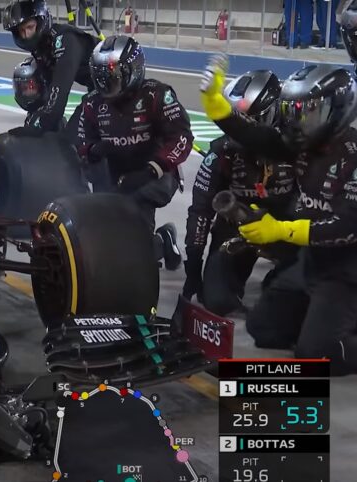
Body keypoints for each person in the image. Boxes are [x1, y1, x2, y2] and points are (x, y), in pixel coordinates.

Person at [201, 55, 357, 375]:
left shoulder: (352, 156)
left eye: (308, 112)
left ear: (338, 109)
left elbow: (348, 226)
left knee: (316, 357)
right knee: (264, 330)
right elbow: (258, 136)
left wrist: (281, 230)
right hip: (312, 263)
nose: (298, 122)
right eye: (294, 111)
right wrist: (217, 105)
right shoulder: (305, 145)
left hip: (347, 271)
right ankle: (325, 320)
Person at [183, 69, 299, 316]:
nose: (238, 131)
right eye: (233, 121)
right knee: (216, 302)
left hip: (287, 230)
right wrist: (193, 264)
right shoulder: (222, 153)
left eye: (247, 121)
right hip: (238, 229)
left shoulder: (299, 145)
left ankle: (283, 276)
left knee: (291, 300)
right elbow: (200, 211)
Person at [76, 35, 193, 270]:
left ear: (134, 70)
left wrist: (152, 170)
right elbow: (81, 141)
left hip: (156, 173)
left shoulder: (157, 95)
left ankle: (157, 242)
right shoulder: (91, 104)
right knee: (105, 241)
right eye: (101, 77)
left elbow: (182, 137)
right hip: (115, 176)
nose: (107, 83)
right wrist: (94, 150)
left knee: (131, 247)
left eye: (113, 76)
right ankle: (161, 240)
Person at [1, 0, 100, 135]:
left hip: (114, 89)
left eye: (30, 27)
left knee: (74, 136)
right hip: (99, 88)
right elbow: (47, 93)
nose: (26, 35)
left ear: (41, 21)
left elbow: (60, 91)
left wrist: (37, 128)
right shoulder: (41, 49)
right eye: (22, 31)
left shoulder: (65, 39)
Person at [0, 56, 57, 156]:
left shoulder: (48, 117)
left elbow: (32, 148)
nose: (26, 93)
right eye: (23, 88)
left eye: (31, 87)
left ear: (43, 85)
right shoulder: (33, 115)